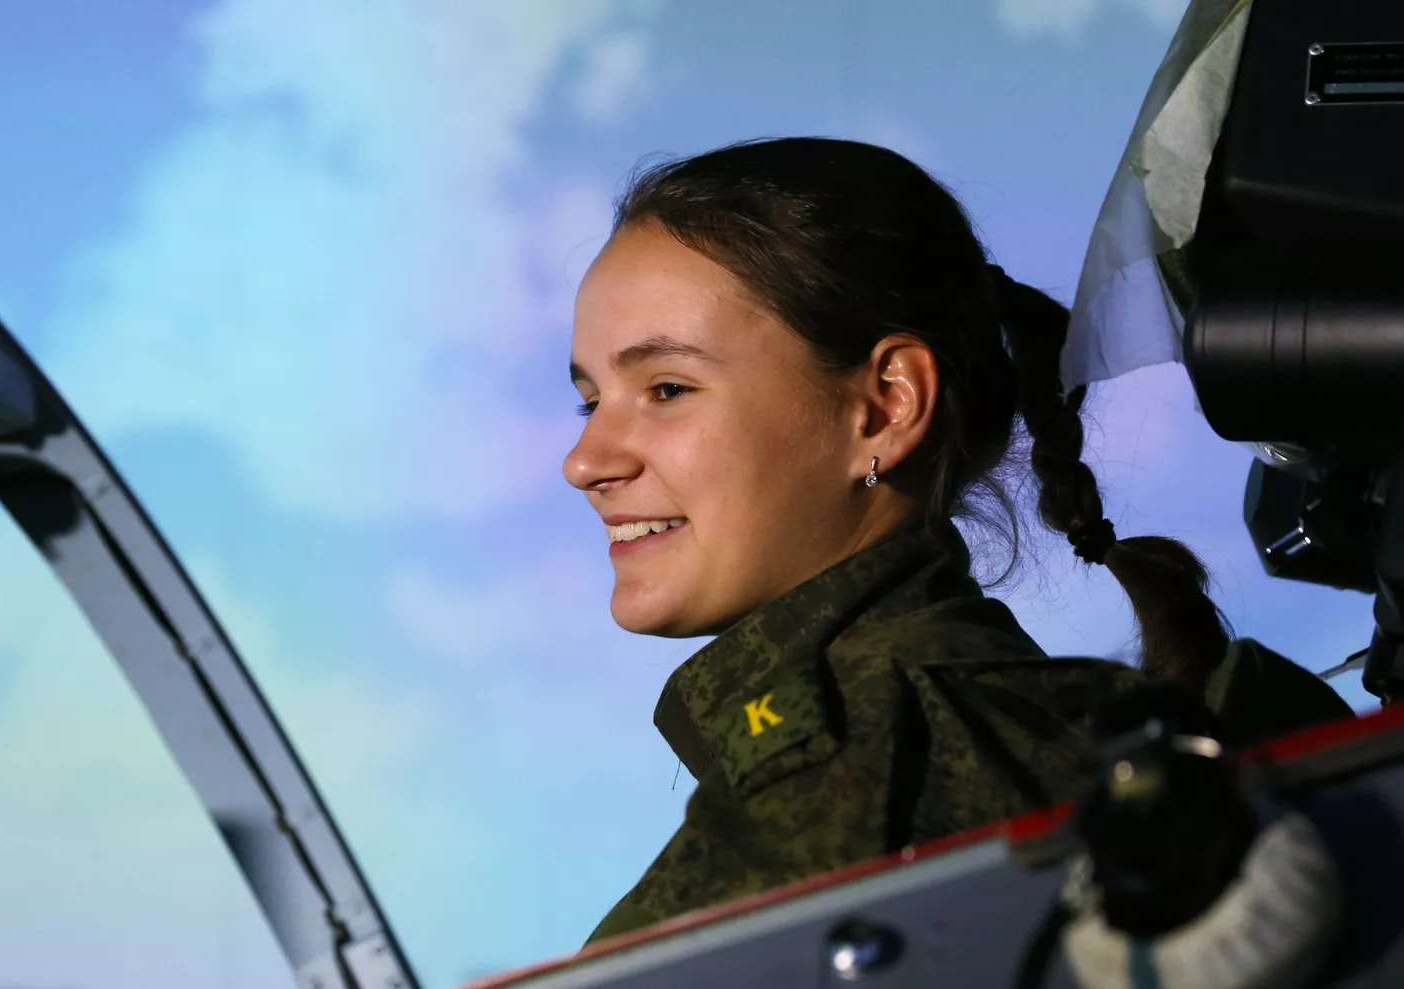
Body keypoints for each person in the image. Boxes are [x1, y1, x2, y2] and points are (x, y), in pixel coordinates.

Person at [564, 137, 1352, 945]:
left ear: (885, 406)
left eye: (667, 388)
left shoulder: (856, 765)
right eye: (591, 401)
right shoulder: (1037, 725)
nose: (584, 461)